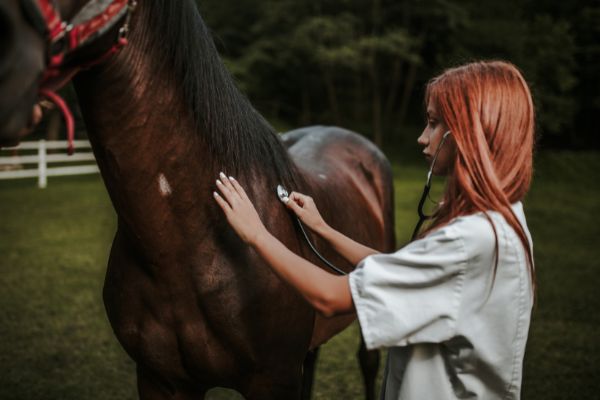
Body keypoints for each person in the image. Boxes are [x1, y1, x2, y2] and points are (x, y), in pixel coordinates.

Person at [213, 60, 535, 399]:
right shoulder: (500, 222)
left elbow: (331, 297)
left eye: (434, 123)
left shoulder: (469, 242)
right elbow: (400, 271)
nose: (423, 138)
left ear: (467, 134)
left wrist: (256, 234)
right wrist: (322, 228)